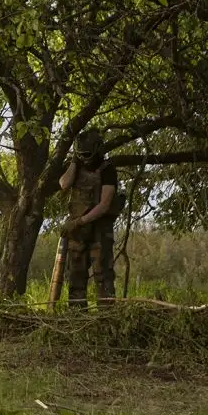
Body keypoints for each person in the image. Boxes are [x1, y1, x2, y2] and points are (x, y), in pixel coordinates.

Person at [58, 128, 122, 308]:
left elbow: (104, 205)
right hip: (77, 233)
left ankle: (105, 322)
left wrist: (78, 222)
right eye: (81, 154)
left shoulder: (108, 169)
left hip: (100, 231)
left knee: (103, 277)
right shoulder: (75, 166)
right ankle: (78, 320)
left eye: (87, 154)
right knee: (76, 277)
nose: (85, 158)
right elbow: (64, 184)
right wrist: (74, 161)